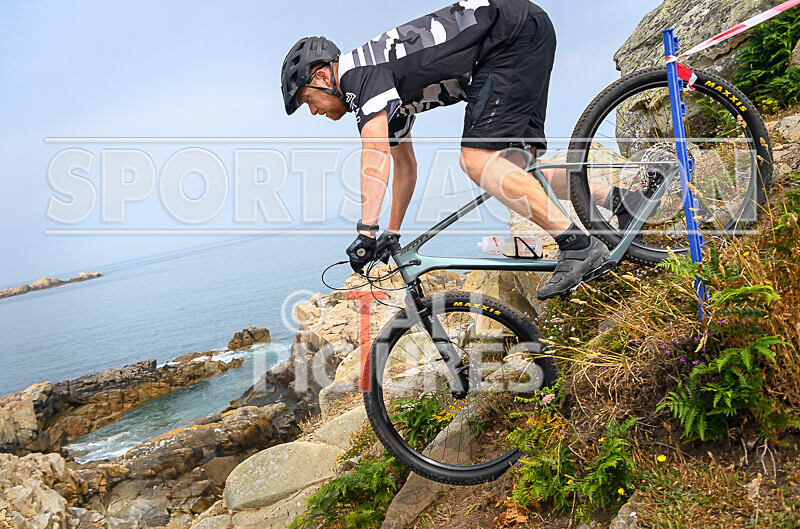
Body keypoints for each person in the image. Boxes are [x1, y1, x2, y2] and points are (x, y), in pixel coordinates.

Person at [280, 0, 643, 300]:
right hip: (523, 31)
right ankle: (623, 202)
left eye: (308, 100)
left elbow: (374, 154)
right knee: (518, 167)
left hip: (509, 36)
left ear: (323, 77)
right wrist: (391, 231)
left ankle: (578, 245)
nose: (313, 111)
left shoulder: (357, 74)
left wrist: (366, 231)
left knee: (476, 160)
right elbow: (404, 166)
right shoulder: (383, 92)